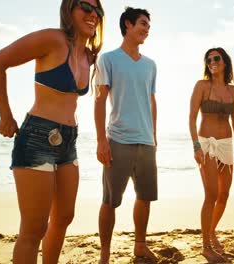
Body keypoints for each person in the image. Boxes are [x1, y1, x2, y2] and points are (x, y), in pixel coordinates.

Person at [0, 0, 104, 263]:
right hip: (37, 137)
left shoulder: (88, 56)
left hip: (69, 142)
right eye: (85, 7)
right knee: (34, 228)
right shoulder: (52, 39)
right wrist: (5, 115)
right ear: (69, 10)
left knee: (64, 217)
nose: (92, 14)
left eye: (97, 10)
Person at [94, 6, 157, 264]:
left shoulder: (150, 65)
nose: (146, 29)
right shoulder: (107, 59)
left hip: (146, 142)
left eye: (149, 26)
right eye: (143, 24)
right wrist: (101, 140)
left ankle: (140, 247)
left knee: (145, 197)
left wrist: (154, 134)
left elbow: (152, 101)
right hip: (118, 140)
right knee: (110, 201)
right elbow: (99, 101)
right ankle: (105, 253)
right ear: (128, 25)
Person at [189, 47, 234, 263]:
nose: (212, 62)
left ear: (225, 62)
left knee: (224, 195)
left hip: (227, 144)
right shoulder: (202, 86)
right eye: (209, 59)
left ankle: (211, 231)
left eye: (216, 58)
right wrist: (196, 146)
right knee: (211, 194)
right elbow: (192, 116)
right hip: (207, 145)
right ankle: (205, 245)